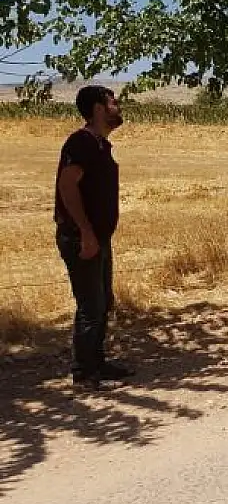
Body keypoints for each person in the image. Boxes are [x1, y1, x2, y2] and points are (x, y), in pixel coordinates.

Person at [54, 85, 134, 387]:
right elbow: (67, 187)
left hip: (98, 237)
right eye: (113, 102)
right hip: (81, 237)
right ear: (99, 108)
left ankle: (97, 363)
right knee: (90, 305)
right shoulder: (81, 143)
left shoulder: (100, 144)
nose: (118, 107)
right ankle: (84, 371)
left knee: (102, 302)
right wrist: (85, 233)